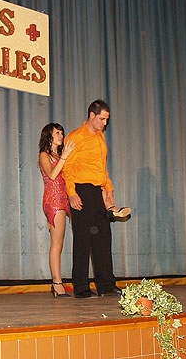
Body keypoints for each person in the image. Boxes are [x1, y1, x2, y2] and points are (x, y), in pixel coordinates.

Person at [62, 100, 127, 298]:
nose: (105, 123)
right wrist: (72, 193)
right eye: (102, 119)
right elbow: (67, 168)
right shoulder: (75, 137)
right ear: (92, 115)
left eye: (107, 119)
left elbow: (102, 167)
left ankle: (106, 285)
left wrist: (109, 188)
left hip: (98, 191)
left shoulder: (100, 136)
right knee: (82, 240)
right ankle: (81, 288)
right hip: (81, 190)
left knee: (103, 238)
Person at [38, 123, 75, 297]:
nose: (61, 136)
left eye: (62, 133)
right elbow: (52, 175)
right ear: (49, 136)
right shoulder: (44, 155)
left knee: (63, 241)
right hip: (53, 199)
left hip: (66, 197)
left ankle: (62, 282)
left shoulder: (60, 155)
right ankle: (57, 283)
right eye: (57, 133)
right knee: (57, 242)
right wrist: (64, 157)